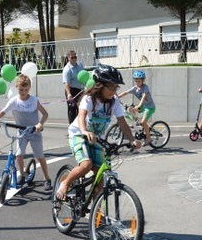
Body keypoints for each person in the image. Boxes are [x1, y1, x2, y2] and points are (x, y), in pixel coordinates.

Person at [55, 64, 141, 201]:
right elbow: (82, 116)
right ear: (100, 85)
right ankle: (65, 183)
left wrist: (131, 140)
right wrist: (84, 130)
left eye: (116, 87)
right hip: (78, 133)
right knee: (86, 165)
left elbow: (123, 123)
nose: (114, 90)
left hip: (96, 138)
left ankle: (95, 210)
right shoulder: (89, 99)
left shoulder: (114, 102)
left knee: (102, 175)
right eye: (110, 87)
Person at [0, 74, 52, 190]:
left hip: (34, 132)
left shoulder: (34, 100)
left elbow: (45, 114)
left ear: (29, 88)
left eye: (26, 89)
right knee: (19, 155)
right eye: (21, 89)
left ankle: (47, 178)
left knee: (39, 156)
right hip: (21, 132)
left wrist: (40, 124)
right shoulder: (14, 101)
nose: (23, 92)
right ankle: (22, 174)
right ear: (16, 88)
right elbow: (3, 112)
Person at [118, 70, 155, 145]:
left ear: (143, 80)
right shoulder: (135, 88)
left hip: (149, 107)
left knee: (143, 122)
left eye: (139, 81)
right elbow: (126, 92)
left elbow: (143, 97)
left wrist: (138, 106)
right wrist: (116, 97)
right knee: (130, 109)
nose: (137, 83)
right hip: (143, 106)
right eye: (136, 81)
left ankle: (148, 138)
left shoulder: (145, 87)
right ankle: (140, 125)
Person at [62, 50, 85, 124]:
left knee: (81, 108)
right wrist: (69, 94)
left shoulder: (80, 65)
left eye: (75, 57)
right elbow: (66, 83)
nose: (74, 59)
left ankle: (80, 126)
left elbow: (84, 75)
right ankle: (71, 128)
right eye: (72, 57)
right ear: (68, 58)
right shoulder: (67, 69)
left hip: (80, 90)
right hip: (71, 90)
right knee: (72, 109)